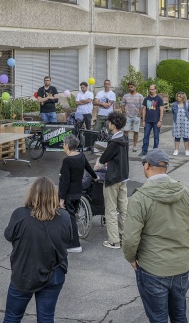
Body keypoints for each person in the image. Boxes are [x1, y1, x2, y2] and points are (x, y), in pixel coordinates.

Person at [123, 149, 189, 322]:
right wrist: (183, 253)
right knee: (180, 316)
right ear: (165, 167)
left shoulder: (140, 198)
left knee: (158, 318)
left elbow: (130, 238)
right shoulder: (186, 193)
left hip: (153, 267)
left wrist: (131, 257)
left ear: (147, 166)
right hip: (180, 267)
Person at [3, 177, 72, 323]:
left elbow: (9, 236)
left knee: (12, 317)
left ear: (32, 194)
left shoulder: (20, 214)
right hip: (54, 272)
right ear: (54, 195)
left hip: (24, 273)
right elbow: (68, 240)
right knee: (46, 318)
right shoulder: (65, 217)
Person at [58, 135, 98, 253]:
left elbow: (65, 181)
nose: (63, 147)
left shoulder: (67, 161)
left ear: (67, 145)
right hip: (78, 192)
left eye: (64, 144)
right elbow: (89, 169)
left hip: (68, 194)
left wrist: (61, 199)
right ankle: (70, 241)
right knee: (72, 216)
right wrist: (96, 177)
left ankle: (74, 244)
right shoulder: (81, 156)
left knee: (69, 218)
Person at [96, 112, 129, 249]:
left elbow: (103, 159)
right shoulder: (124, 138)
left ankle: (114, 241)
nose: (108, 124)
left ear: (113, 125)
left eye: (109, 122)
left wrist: (98, 164)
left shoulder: (114, 142)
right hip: (124, 176)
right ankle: (124, 235)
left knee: (110, 210)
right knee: (124, 209)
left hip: (113, 178)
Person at [140, 84, 164, 157]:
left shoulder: (159, 99)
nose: (151, 91)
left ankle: (155, 151)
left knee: (156, 136)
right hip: (147, 121)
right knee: (146, 136)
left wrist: (160, 120)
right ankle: (144, 150)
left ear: (155, 90)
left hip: (156, 121)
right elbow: (144, 109)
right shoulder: (146, 99)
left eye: (152, 89)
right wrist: (143, 120)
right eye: (150, 89)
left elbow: (161, 110)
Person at [121, 82, 143, 153]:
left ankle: (135, 145)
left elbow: (142, 106)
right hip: (128, 116)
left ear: (135, 87)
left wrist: (140, 113)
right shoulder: (125, 96)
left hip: (136, 116)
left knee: (136, 131)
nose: (130, 88)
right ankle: (125, 145)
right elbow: (122, 104)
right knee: (126, 131)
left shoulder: (140, 96)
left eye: (131, 87)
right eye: (129, 87)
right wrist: (124, 112)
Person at [171, 91, 189, 156]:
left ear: (183, 97)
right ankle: (176, 150)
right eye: (177, 96)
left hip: (185, 123)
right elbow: (173, 112)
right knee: (177, 136)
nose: (178, 98)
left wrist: (187, 119)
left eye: (180, 97)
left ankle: (187, 150)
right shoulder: (175, 105)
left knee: (185, 137)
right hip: (177, 123)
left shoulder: (187, 104)